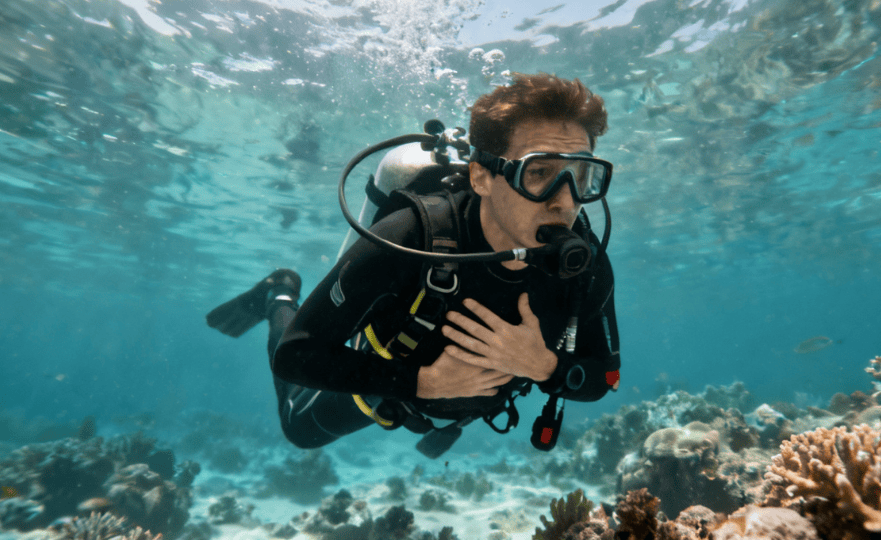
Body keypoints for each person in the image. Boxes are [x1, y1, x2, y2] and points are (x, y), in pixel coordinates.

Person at [207, 73, 621, 457]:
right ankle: (278, 291)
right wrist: (420, 382)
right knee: (299, 431)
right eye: (540, 172)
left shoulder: (585, 264)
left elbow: (604, 377)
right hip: (389, 383)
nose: (565, 201)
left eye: (581, 175)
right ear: (481, 178)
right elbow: (295, 355)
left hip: (470, 405)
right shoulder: (410, 237)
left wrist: (543, 366)